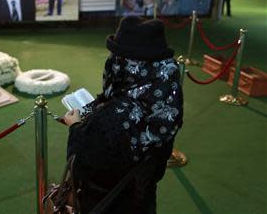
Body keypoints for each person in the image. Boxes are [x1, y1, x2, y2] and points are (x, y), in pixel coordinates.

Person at [61, 16, 183, 213]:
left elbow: (82, 162)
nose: (112, 60)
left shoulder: (116, 116)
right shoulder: (164, 97)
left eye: (117, 55)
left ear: (128, 63)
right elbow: (109, 98)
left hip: (108, 203)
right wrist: (88, 110)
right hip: (143, 197)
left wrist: (75, 125)